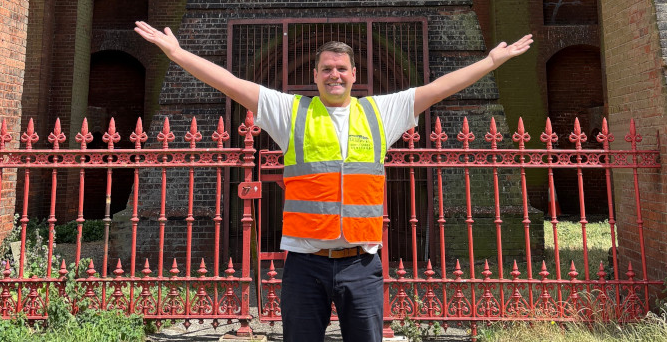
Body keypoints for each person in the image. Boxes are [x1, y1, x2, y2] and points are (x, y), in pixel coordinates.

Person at [134, 21, 532, 342]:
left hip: (361, 263)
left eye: (341, 69)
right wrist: (178, 53)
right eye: (326, 68)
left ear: (354, 75)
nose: (334, 75)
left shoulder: (380, 113)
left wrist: (491, 62)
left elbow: (437, 89)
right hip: (306, 265)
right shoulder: (292, 112)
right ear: (315, 74)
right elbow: (231, 84)